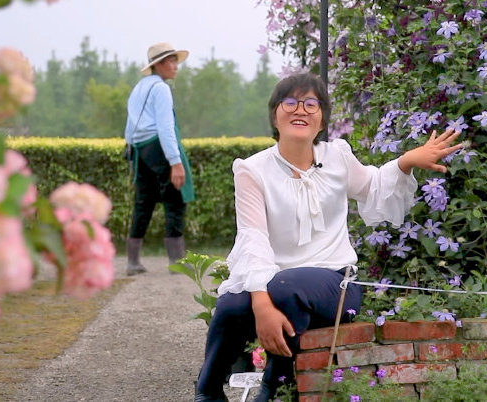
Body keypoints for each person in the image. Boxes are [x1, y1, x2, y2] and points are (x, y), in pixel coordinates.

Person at [194, 73, 462, 402]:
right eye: (290, 102)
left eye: (311, 103)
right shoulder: (251, 169)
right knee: (232, 302)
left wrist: (406, 161)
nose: (300, 110)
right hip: (276, 281)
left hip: (337, 283)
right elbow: (253, 238)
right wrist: (259, 303)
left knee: (284, 288)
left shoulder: (336, 156)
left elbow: (373, 187)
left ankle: (274, 389)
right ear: (274, 115)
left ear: (322, 119)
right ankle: (207, 392)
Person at [124, 42, 195, 276]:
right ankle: (176, 262)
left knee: (143, 202)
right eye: (171, 61)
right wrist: (175, 162)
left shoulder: (139, 87)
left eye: (176, 61)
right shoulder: (161, 89)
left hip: (139, 149)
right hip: (158, 147)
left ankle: (132, 261)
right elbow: (165, 128)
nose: (176, 66)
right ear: (159, 65)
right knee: (174, 199)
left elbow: (130, 126)